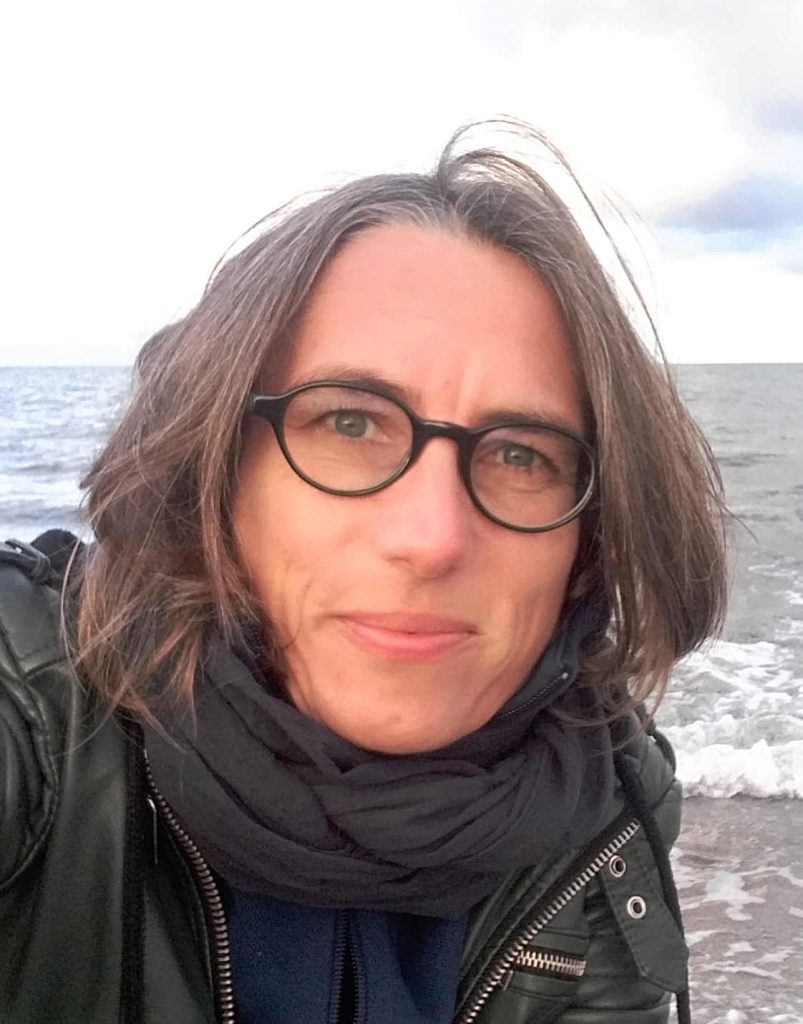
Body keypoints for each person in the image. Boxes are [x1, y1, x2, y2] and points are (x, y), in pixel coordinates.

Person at [0, 121, 727, 1024]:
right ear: (215, 470)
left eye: (520, 454)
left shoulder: (605, 805)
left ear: (590, 541)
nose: (431, 538)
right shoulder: (34, 708)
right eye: (348, 423)